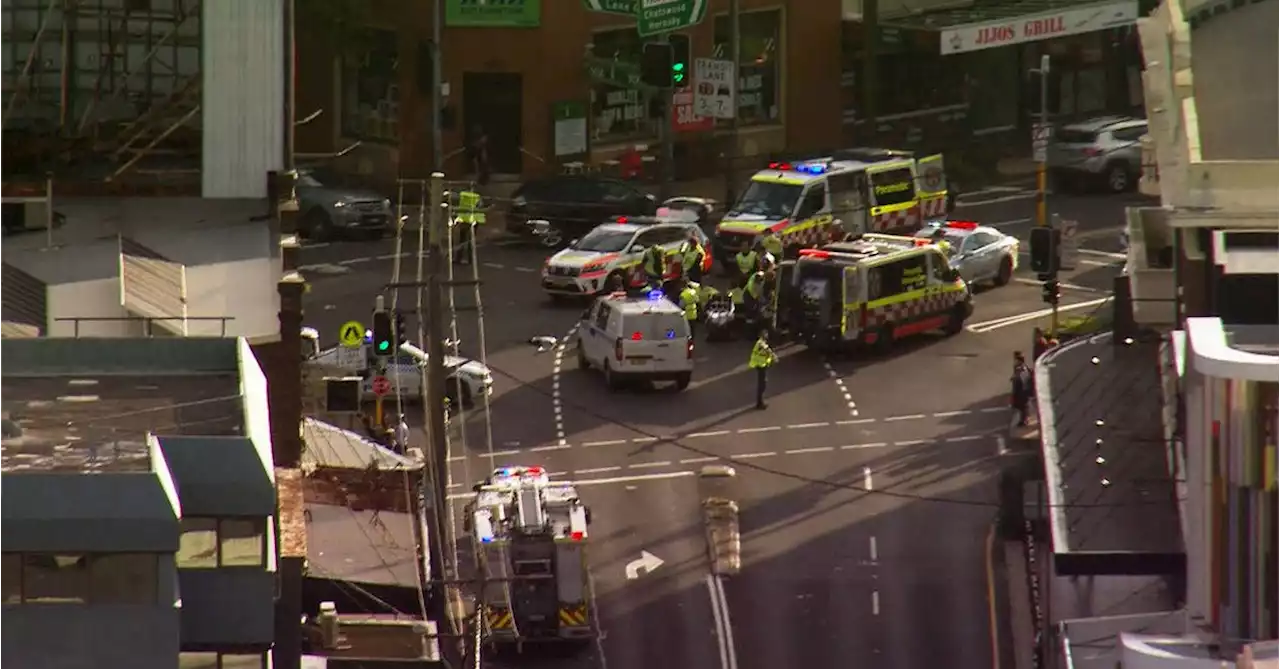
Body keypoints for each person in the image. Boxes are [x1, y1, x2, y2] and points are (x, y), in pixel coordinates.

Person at [453, 189, 485, 264]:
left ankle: (461, 258)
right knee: (468, 240)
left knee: (464, 239)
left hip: (467, 219)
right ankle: (468, 259)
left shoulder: (464, 196)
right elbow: (480, 206)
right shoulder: (476, 196)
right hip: (471, 219)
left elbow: (457, 202)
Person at [749, 330, 779, 410]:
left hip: (762, 365)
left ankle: (760, 402)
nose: (767, 335)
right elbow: (767, 350)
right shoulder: (760, 343)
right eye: (765, 334)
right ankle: (760, 403)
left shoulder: (762, 342)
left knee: (762, 383)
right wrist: (774, 357)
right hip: (760, 365)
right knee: (762, 384)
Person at [1011, 351, 1034, 427]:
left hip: (1022, 390)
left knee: (1023, 406)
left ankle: (1024, 420)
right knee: (1021, 406)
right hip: (1021, 389)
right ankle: (1023, 419)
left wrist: (1015, 378)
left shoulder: (1022, 368)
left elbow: (1023, 378)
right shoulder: (1019, 367)